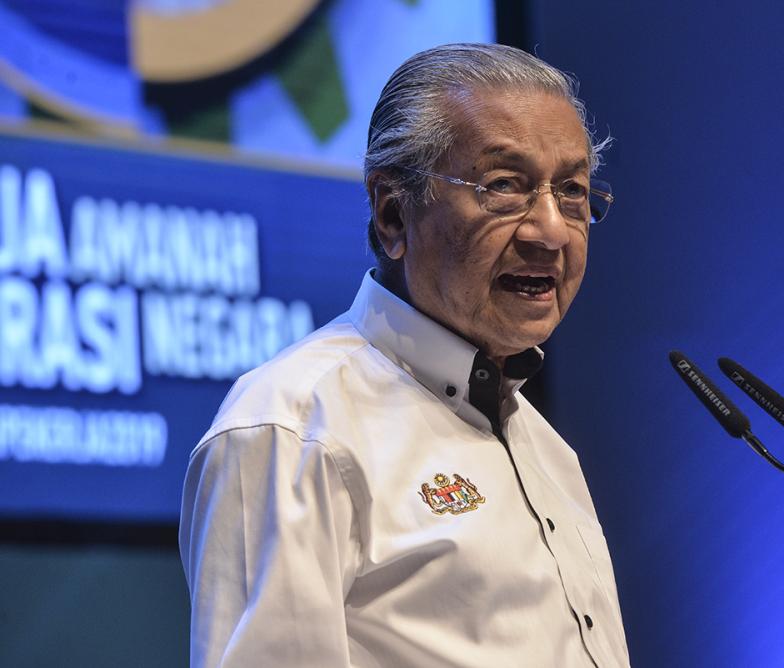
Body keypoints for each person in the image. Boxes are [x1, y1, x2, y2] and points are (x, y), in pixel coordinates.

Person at [179, 42, 630, 667]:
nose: (551, 231)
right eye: (505, 186)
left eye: (573, 192)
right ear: (394, 213)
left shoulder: (547, 449)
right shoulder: (293, 427)